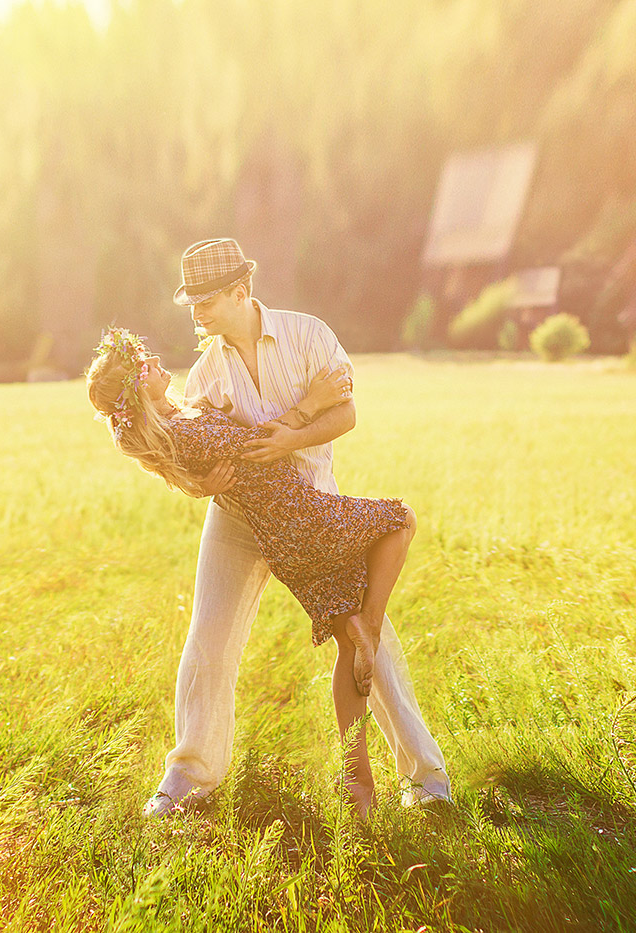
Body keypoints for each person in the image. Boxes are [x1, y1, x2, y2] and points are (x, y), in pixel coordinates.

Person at [130, 238, 452, 818]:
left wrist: (293, 435)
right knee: (208, 641)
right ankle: (187, 779)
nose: (197, 312)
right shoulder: (204, 374)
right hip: (235, 519)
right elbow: (186, 450)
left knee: (368, 641)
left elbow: (346, 412)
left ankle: (425, 781)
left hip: (310, 510)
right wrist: (199, 486)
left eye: (207, 299)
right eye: (191, 302)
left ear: (241, 291)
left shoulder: (309, 336)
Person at [88, 328, 416, 816]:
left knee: (349, 649)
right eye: (144, 363)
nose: (156, 358)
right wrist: (315, 401)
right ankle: (370, 622)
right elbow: (262, 442)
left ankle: (358, 788)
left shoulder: (182, 424)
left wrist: (196, 483)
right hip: (304, 522)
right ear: (136, 391)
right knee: (401, 519)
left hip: (291, 534)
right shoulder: (186, 432)